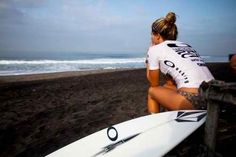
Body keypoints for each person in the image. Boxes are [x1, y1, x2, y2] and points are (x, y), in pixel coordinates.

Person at [146, 12, 214, 114]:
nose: (151, 37)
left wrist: (148, 59)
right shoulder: (186, 45)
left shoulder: (155, 49)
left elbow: (153, 83)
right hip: (215, 95)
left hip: (195, 99)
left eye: (152, 34)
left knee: (152, 91)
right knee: (167, 87)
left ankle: (155, 122)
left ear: (158, 36)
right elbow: (171, 82)